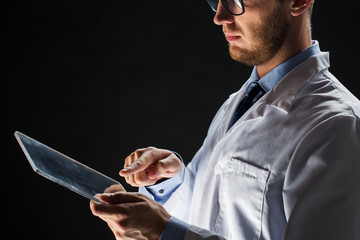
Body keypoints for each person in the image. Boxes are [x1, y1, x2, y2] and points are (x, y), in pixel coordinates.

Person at [90, 0, 360, 239]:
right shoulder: (240, 101)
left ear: (298, 2)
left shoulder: (337, 126)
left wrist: (165, 233)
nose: (220, 16)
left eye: (237, 0)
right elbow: (208, 217)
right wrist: (171, 183)